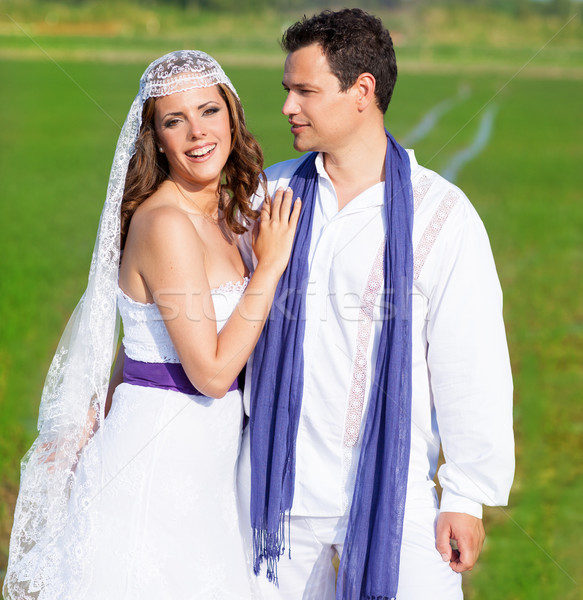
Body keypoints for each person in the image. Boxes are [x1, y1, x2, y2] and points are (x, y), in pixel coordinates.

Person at [237, 9, 514, 600]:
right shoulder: (270, 194)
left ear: (362, 91)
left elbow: (472, 361)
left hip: (396, 492)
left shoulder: (441, 212)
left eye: (305, 90)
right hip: (273, 495)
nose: (288, 106)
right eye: (287, 90)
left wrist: (464, 496)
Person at [4, 50, 300, 600]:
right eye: (174, 120)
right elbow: (211, 372)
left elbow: (144, 342)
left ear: (232, 117)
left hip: (206, 461)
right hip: (160, 461)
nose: (196, 132)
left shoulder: (226, 215)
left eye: (209, 111)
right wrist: (273, 264)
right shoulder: (165, 222)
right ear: (155, 138)